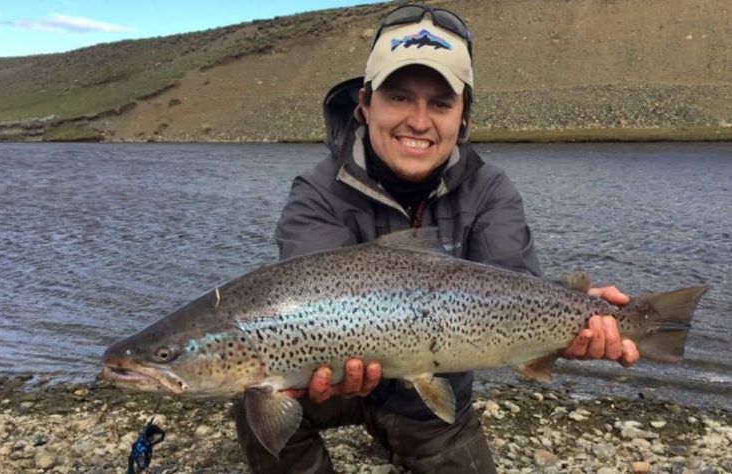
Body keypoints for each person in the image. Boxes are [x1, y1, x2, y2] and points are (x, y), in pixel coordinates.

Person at [233, 5, 639, 473]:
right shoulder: (317, 191)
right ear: (364, 104)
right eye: (399, 97)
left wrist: (577, 320)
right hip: (329, 385)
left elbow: (516, 291)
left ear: (463, 117)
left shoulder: (491, 189)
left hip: (433, 400)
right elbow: (308, 298)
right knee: (255, 398)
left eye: (441, 103)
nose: (419, 122)